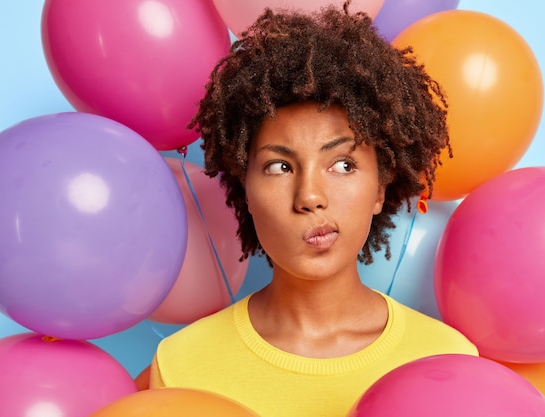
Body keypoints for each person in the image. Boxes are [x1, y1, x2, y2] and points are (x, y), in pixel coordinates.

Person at [149, 1, 477, 416]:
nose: (310, 196)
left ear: (380, 188)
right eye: (279, 166)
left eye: (343, 164)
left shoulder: (448, 360)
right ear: (245, 190)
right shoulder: (182, 366)